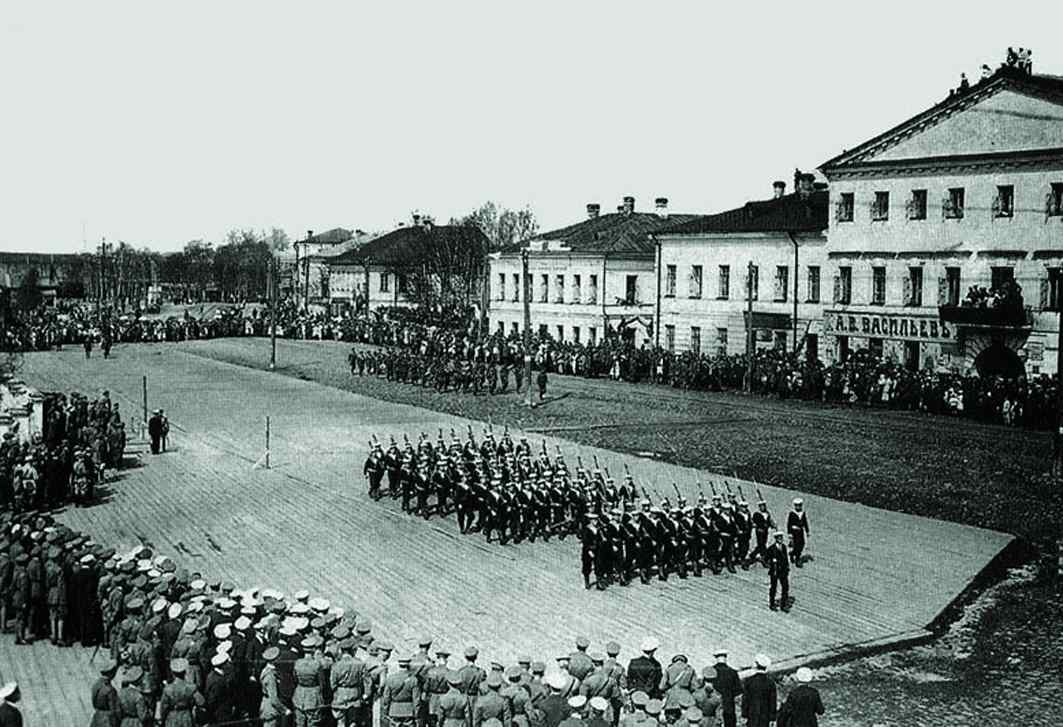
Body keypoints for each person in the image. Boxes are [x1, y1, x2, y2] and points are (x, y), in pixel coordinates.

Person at [159, 658, 205, 727]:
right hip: (186, 716)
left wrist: (163, 719)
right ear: (185, 672)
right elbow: (201, 702)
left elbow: (163, 708)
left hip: (172, 717)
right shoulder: (191, 687)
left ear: (172, 673)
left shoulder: (168, 689)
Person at [740, 655, 775, 727]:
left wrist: (744, 715)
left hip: (752, 714)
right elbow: (772, 702)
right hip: (765, 715)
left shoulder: (749, 681)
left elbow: (745, 699)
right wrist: (773, 718)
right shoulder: (770, 682)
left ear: (756, 665)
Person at [710, 650, 740, 727]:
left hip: (714, 706)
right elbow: (738, 691)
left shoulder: (711, 672)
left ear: (716, 658)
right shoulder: (733, 672)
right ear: (725, 658)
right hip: (729, 705)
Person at [89, 659, 120, 727]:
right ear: (111, 673)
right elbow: (114, 711)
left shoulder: (96, 685)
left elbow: (94, 703)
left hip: (97, 717)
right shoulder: (110, 690)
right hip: (107, 720)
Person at [766, 531, 791, 612]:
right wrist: (771, 564)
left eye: (781, 538)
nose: (780, 539)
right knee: (773, 587)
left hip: (783, 571)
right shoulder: (771, 548)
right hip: (775, 571)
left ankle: (783, 605)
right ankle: (772, 603)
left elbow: (786, 558)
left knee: (785, 587)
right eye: (779, 538)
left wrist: (787, 567)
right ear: (776, 539)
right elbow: (765, 559)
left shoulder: (784, 547)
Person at [786, 500, 809, 567]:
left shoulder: (802, 513)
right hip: (794, 532)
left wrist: (807, 531)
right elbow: (789, 524)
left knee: (802, 544)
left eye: (799, 505)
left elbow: (805, 522)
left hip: (800, 531)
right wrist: (789, 533)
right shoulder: (792, 513)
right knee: (796, 545)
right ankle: (797, 559)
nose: (798, 507)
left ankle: (792, 553)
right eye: (796, 505)